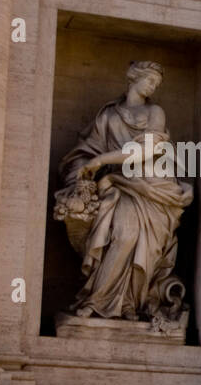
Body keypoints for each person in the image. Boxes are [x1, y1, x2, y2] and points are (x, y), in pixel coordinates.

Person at [54, 60, 193, 322]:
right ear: (134, 78)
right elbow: (86, 152)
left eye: (157, 83)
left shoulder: (155, 112)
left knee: (145, 246)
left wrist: (102, 161)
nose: (153, 86)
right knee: (124, 235)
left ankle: (132, 303)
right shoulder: (107, 117)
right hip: (118, 185)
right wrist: (87, 170)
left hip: (152, 187)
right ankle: (98, 301)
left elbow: (148, 150)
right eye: (150, 80)